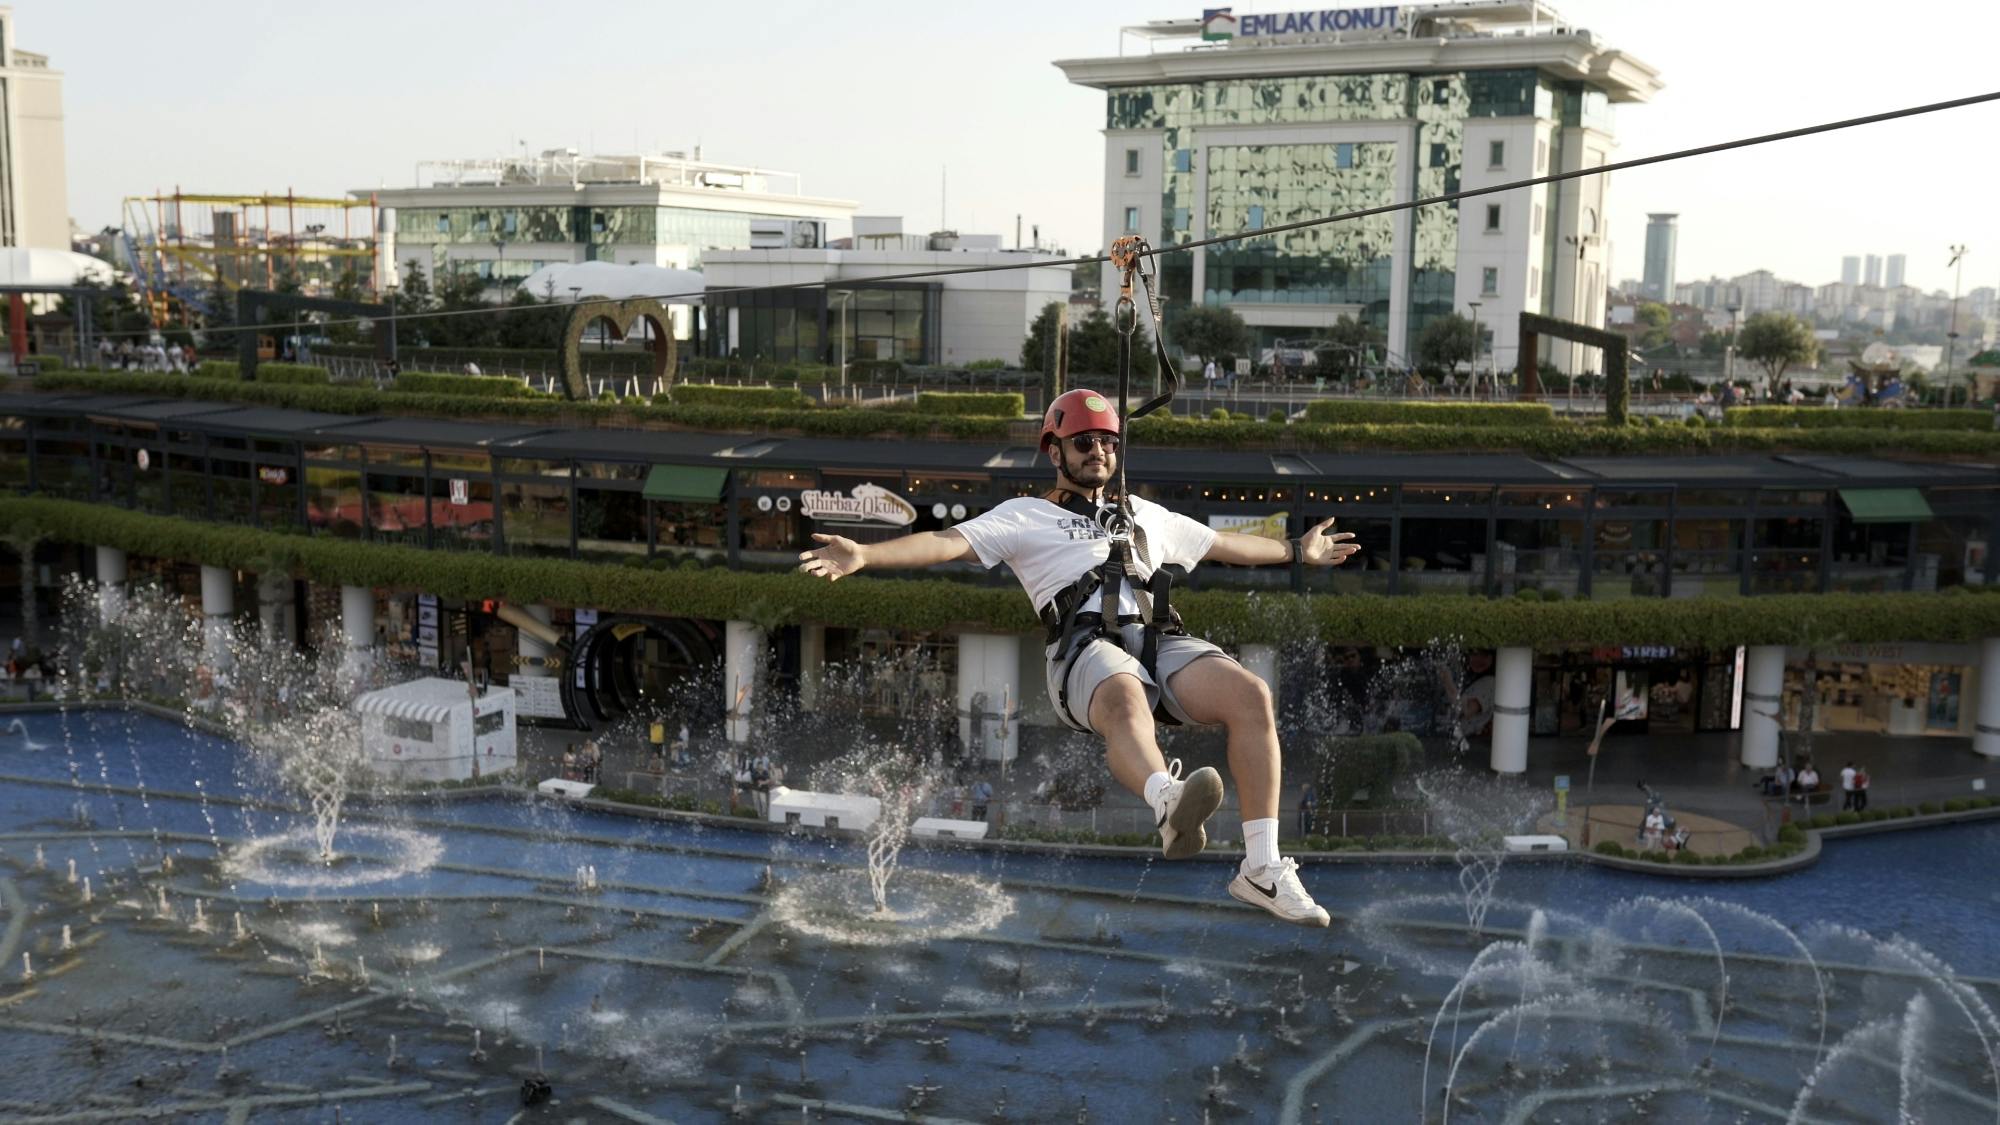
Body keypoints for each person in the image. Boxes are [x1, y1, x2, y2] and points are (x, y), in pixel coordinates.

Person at [797, 387, 1362, 926]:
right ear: (1054, 450)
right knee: (1124, 693)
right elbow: (947, 543)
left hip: (1158, 639)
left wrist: (1295, 550)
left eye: (1109, 442)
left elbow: (1228, 546)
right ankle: (1166, 800)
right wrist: (866, 555)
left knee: (1251, 694)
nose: (1100, 451)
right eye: (1085, 441)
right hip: (1084, 650)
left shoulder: (1146, 515)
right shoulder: (1024, 516)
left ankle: (1261, 868)